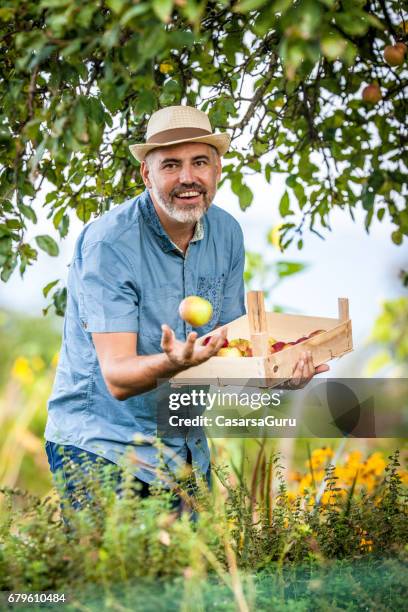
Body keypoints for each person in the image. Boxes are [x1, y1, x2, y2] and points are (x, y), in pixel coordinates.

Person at [44, 105, 329, 510]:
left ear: (217, 169)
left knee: (193, 575)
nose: (187, 178)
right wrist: (175, 362)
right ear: (146, 174)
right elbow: (118, 378)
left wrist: (280, 376)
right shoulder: (110, 244)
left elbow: (228, 351)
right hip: (101, 448)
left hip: (183, 452)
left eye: (200, 162)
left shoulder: (226, 233)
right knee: (117, 573)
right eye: (171, 165)